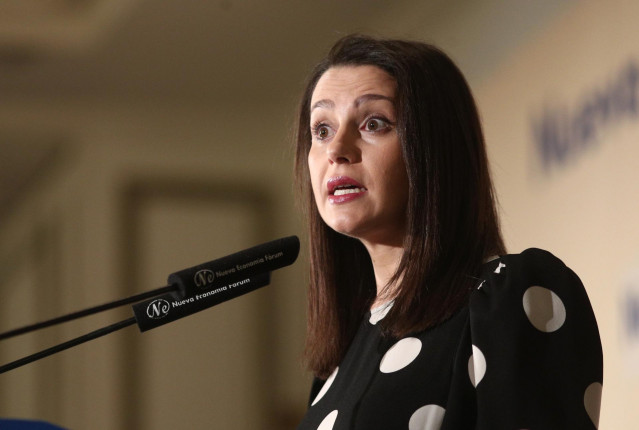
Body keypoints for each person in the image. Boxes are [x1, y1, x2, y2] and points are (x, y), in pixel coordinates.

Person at [294, 34, 603, 430]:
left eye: (374, 123)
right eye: (321, 129)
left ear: (436, 148)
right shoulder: (336, 364)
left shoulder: (507, 298)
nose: (337, 148)